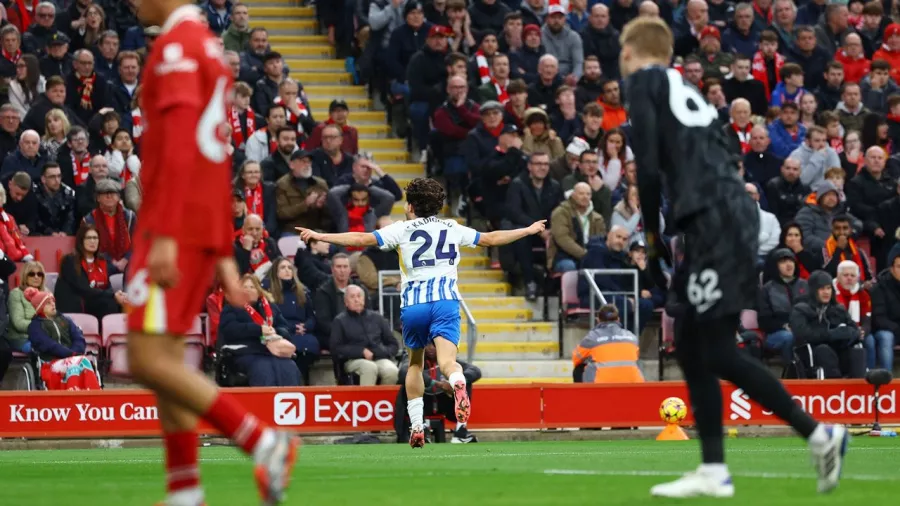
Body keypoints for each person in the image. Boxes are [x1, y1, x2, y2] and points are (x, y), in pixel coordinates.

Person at [619, 17, 847, 498]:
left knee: (713, 348)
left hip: (714, 220)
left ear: (629, 52)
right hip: (725, 217)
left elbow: (649, 163)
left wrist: (655, 238)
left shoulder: (645, 80)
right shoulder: (692, 95)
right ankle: (721, 467)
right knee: (692, 341)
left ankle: (812, 434)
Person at [122, 3, 299, 506]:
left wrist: (160, 234)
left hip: (172, 226)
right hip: (196, 225)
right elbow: (214, 156)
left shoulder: (177, 47)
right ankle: (185, 489)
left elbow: (179, 148)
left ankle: (263, 441)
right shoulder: (208, 50)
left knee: (145, 357)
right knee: (167, 359)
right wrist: (221, 248)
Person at [297, 177, 546, 449]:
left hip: (414, 304)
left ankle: (417, 426)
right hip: (446, 302)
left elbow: (360, 238)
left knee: (414, 364)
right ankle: (458, 382)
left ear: (412, 205)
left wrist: (320, 236)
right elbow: (490, 238)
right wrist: (528, 230)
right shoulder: (451, 227)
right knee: (449, 362)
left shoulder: (402, 230)